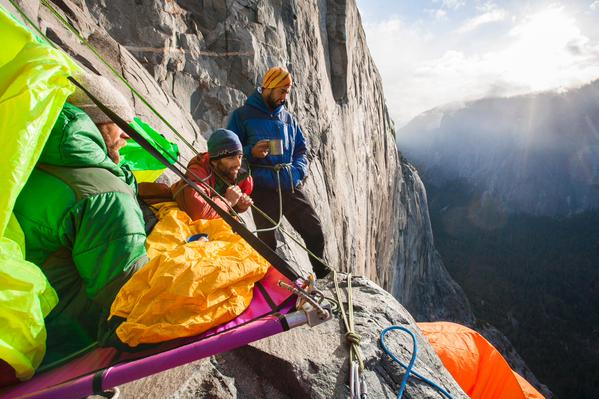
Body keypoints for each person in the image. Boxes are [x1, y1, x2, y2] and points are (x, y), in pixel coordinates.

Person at [12, 72, 148, 362]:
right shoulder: (107, 197)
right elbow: (129, 294)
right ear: (94, 121)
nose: (127, 134)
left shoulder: (25, 147)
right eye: (120, 123)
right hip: (50, 335)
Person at [227, 66, 330, 278]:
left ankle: (322, 273)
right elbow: (230, 150)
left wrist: (297, 172)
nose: (284, 97)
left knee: (314, 229)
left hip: (289, 183)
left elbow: (302, 150)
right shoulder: (242, 116)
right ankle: (272, 284)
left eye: (287, 92)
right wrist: (251, 152)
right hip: (262, 187)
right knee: (267, 241)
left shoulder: (288, 119)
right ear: (268, 87)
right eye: (281, 91)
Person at [172, 129, 253, 220]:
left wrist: (239, 206)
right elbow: (197, 212)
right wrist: (227, 202)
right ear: (215, 161)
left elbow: (230, 209)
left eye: (240, 156)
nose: (238, 163)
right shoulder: (199, 170)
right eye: (231, 157)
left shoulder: (242, 175)